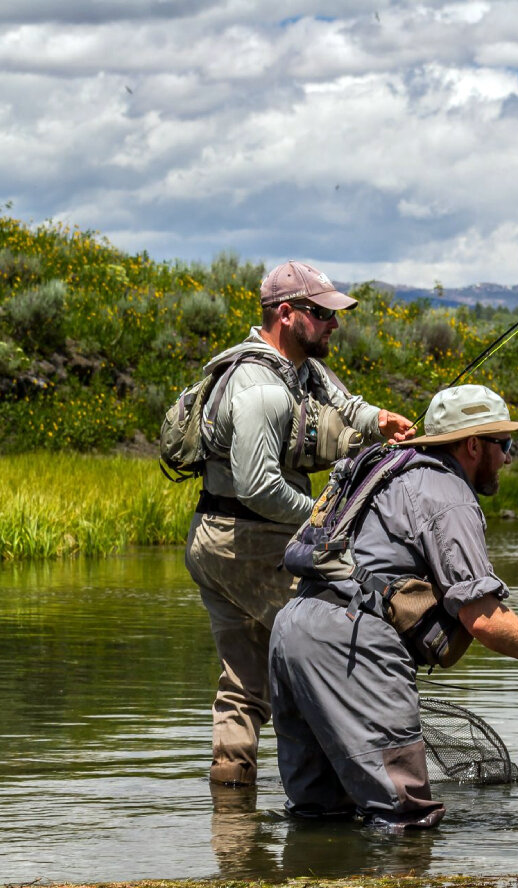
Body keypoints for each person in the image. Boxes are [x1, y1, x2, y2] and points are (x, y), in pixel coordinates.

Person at [268, 384, 518, 828]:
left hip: (294, 627)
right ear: (472, 445)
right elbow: (483, 618)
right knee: (404, 820)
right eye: (504, 444)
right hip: (352, 644)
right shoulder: (446, 490)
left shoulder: (387, 468)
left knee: (319, 815)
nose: (509, 456)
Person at [185, 259, 414, 787]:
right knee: (335, 640)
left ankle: (233, 825)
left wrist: (380, 421)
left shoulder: (301, 368)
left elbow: (344, 403)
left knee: (243, 685)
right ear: (287, 314)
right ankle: (348, 791)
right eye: (323, 314)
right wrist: (325, 519)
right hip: (243, 541)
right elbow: (259, 486)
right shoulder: (260, 389)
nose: (335, 324)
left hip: (216, 539)